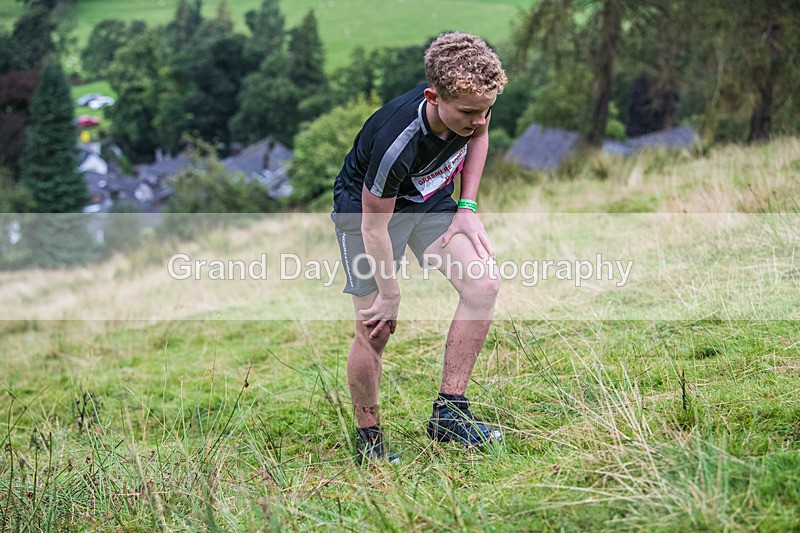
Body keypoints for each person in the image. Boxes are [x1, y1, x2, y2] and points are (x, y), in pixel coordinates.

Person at [330, 32, 508, 465]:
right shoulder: (398, 142)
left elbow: (478, 137)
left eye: (487, 109)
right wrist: (391, 294)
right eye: (469, 113)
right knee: (374, 328)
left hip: (428, 199)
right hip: (368, 213)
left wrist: (466, 205)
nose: (480, 120)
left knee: (483, 285)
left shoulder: (474, 99)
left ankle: (450, 414)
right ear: (433, 97)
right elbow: (375, 227)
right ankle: (369, 440)